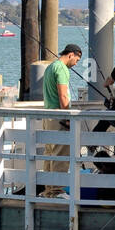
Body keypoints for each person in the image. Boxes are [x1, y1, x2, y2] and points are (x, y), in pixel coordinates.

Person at [41, 44, 81, 197]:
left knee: (49, 154)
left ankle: (48, 190)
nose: (76, 63)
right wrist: (68, 117)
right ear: (71, 55)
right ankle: (57, 190)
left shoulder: (51, 67)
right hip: (59, 116)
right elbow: (63, 96)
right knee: (61, 154)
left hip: (48, 115)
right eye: (76, 59)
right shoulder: (62, 69)